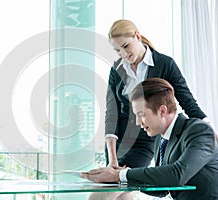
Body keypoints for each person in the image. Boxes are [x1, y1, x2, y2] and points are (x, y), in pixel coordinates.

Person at [82, 78, 218, 200]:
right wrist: (117, 178)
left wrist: (121, 175)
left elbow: (178, 174)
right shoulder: (161, 138)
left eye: (141, 114)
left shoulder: (200, 131)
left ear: (162, 110)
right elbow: (162, 189)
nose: (137, 122)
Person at [104, 19, 211, 169]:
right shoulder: (117, 70)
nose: (123, 54)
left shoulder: (165, 64)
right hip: (117, 142)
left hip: (146, 139)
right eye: (117, 50)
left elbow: (188, 102)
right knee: (112, 187)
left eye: (126, 46)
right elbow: (112, 114)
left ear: (137, 37)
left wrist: (211, 131)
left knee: (127, 182)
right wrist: (112, 158)